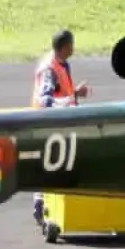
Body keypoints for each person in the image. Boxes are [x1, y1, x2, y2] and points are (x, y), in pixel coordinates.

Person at [31, 28, 92, 230]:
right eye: (72, 45)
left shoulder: (61, 64)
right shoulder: (50, 69)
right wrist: (70, 101)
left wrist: (74, 94)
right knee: (50, 166)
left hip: (61, 124)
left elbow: (60, 93)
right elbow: (45, 99)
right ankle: (42, 208)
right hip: (49, 126)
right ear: (65, 46)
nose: (73, 49)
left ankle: (50, 207)